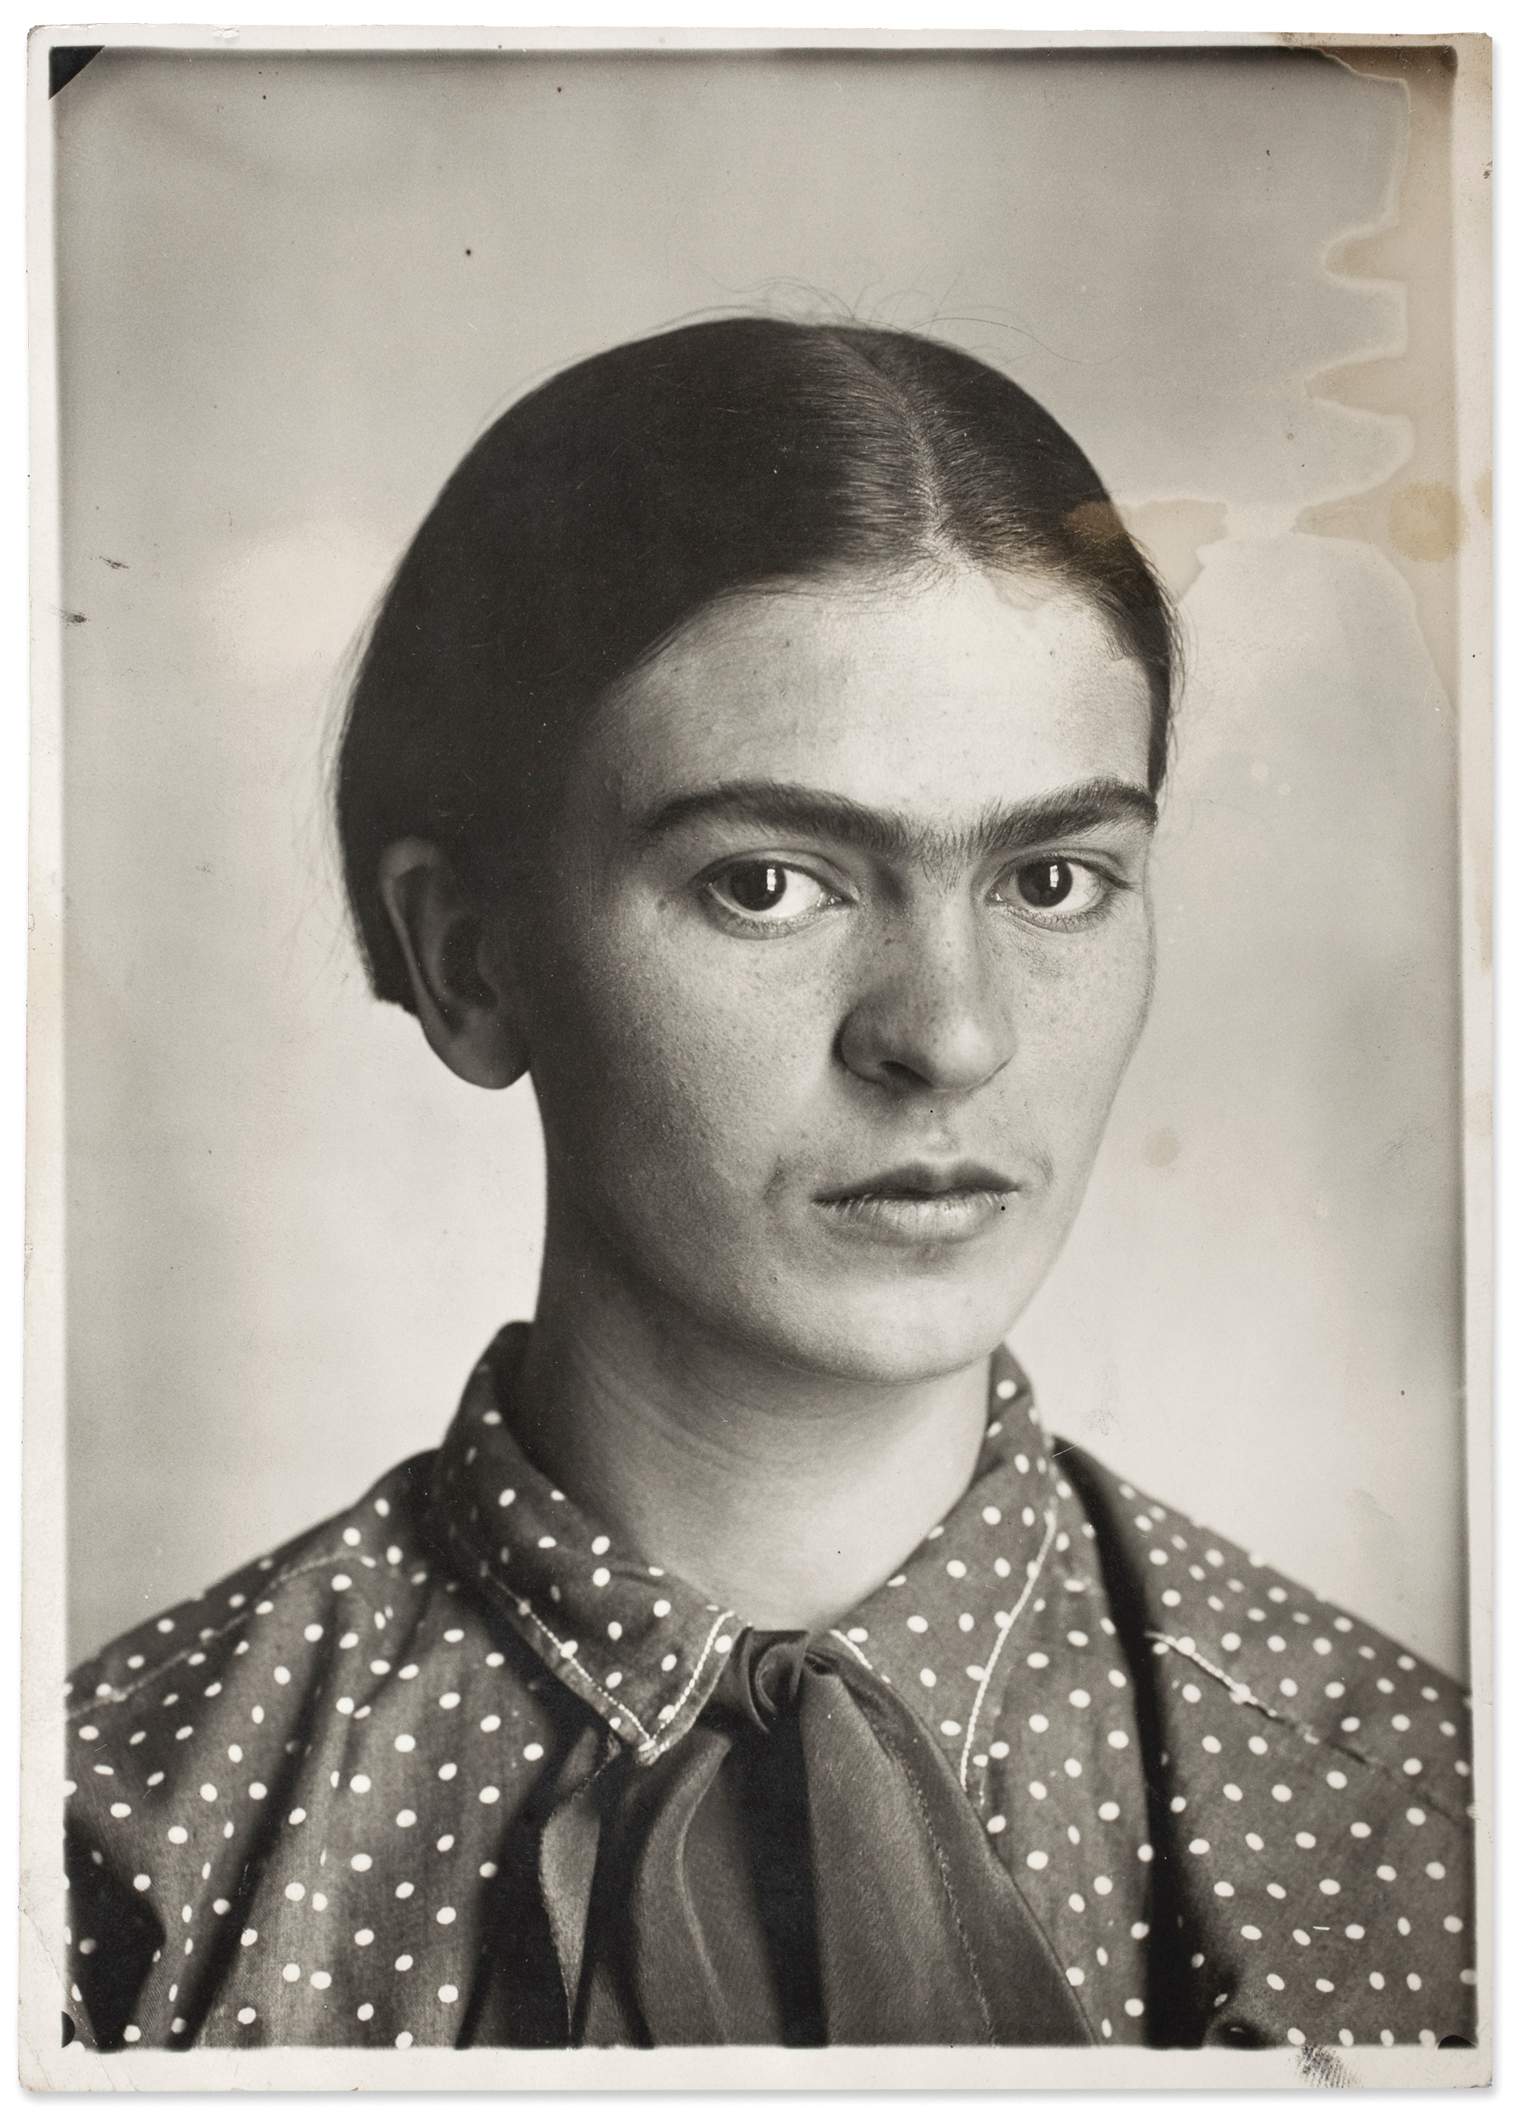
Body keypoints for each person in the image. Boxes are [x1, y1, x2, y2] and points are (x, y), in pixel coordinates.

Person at [63, 318, 1475, 2054]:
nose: (948, 1034)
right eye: (767, 883)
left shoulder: (1431, 1836)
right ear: (466, 959)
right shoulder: (92, 1869)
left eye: (1050, 878)